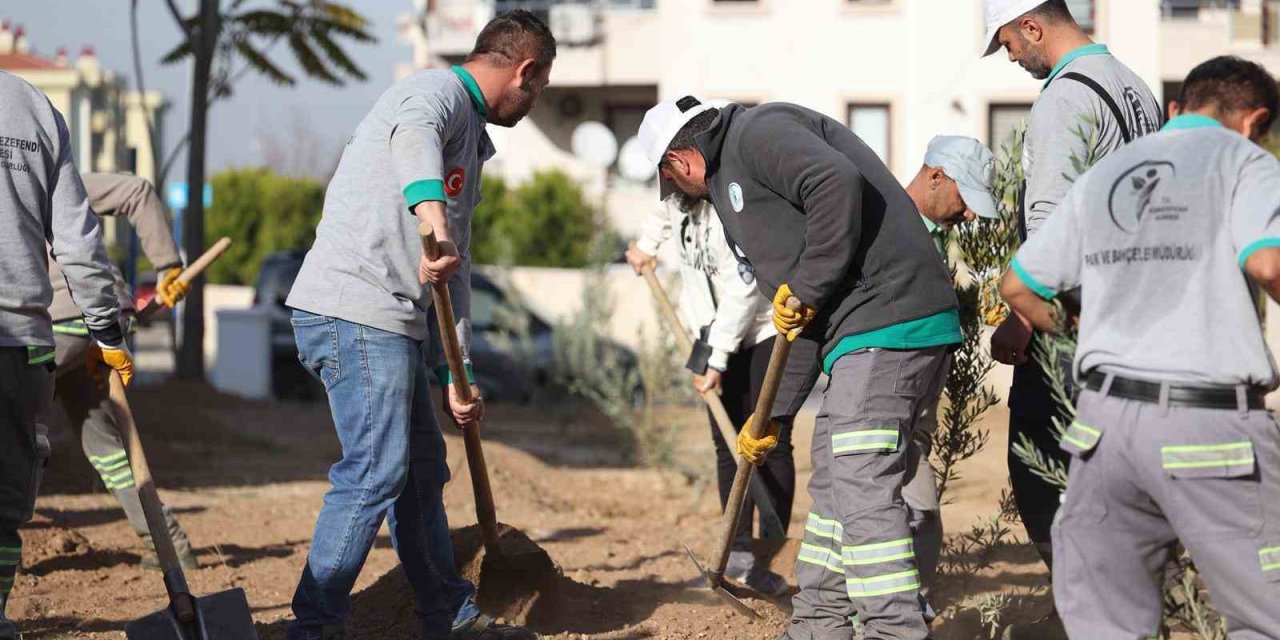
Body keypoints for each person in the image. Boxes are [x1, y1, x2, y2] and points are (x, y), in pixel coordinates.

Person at [638, 96, 965, 640]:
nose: (679, 193)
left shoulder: (756, 132)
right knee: (835, 482)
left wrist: (808, 285)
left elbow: (835, 181)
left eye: (672, 181)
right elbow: (801, 325)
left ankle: (895, 631)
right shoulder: (736, 185)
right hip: (860, 335)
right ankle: (819, 625)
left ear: (682, 161)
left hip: (888, 323)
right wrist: (772, 417)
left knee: (861, 487)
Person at [282, 11, 555, 640]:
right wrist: (431, 216)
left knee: (421, 474)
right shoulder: (433, 94)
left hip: (393, 322)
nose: (534, 102)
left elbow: (452, 271)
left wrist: (451, 370)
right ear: (527, 71)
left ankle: (449, 617)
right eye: (539, 90)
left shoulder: (471, 144)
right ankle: (313, 626)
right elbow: (413, 141)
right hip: (354, 308)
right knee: (376, 469)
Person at [999, 55, 1280, 639]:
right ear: (1254, 122)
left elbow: (1019, 287)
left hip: (1102, 429)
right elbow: (1268, 261)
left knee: (1106, 625)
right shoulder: (1244, 161)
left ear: (1176, 110)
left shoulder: (1108, 173)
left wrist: (1078, 328)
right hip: (1205, 425)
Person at [982, 0, 1161, 566]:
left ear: (1033, 26)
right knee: (1117, 475)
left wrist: (1022, 316)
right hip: (1136, 313)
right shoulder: (1134, 88)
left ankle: (1086, 606)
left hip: (1075, 321)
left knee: (1042, 469)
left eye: (1010, 42)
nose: (1011, 56)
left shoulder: (1065, 96)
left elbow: (1050, 225)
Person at [625, 177, 822, 598]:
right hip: (708, 328)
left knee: (767, 442)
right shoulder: (677, 195)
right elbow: (661, 213)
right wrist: (645, 247)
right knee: (724, 444)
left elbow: (745, 289)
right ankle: (735, 553)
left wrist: (717, 360)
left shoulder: (734, 207)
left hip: (762, 329)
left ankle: (770, 553)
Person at [0, 70, 133, 640]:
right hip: (23, 343)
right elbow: (79, 241)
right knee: (5, 504)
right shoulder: (33, 106)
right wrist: (107, 333)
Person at [41, 173, 195, 570]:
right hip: (109, 313)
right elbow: (136, 189)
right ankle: (169, 545)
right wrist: (167, 266)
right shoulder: (50, 172)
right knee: (104, 444)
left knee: (13, 432)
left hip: (53, 319)